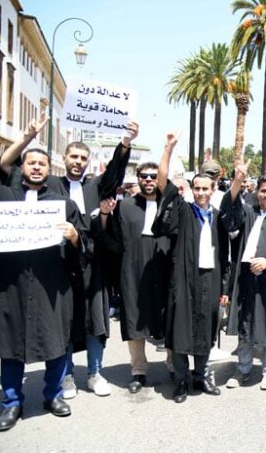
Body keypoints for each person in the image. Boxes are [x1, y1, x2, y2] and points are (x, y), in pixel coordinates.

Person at [0, 136, 87, 431]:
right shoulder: (4, 198)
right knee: (10, 343)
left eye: (42, 164)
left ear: (50, 169)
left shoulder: (64, 204)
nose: (36, 168)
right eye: (31, 163)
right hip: (12, 284)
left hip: (52, 285)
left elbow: (82, 251)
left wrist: (74, 237)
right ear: (21, 167)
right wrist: (27, 137)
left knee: (55, 340)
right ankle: (12, 403)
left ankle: (53, 395)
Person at [154, 133, 228, 403]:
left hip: (210, 279)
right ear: (191, 189)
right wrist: (168, 149)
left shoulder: (218, 217)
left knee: (206, 328)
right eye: (197, 188)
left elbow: (225, 255)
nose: (201, 193)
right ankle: (182, 380)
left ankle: (201, 376)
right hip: (184, 279)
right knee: (181, 329)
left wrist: (224, 287)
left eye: (205, 189)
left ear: (213, 190)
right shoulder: (183, 211)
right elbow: (162, 184)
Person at [105, 160, 172, 393]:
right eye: (144, 176)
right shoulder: (124, 207)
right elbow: (113, 239)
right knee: (134, 319)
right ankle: (138, 370)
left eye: (154, 176)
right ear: (138, 179)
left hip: (164, 269)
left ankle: (173, 364)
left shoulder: (170, 205)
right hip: (132, 270)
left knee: (169, 317)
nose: (149, 180)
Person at [221, 168, 266, 390]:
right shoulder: (248, 212)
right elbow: (229, 212)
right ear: (257, 192)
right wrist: (237, 181)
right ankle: (243, 369)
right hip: (246, 278)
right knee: (246, 322)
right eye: (263, 191)